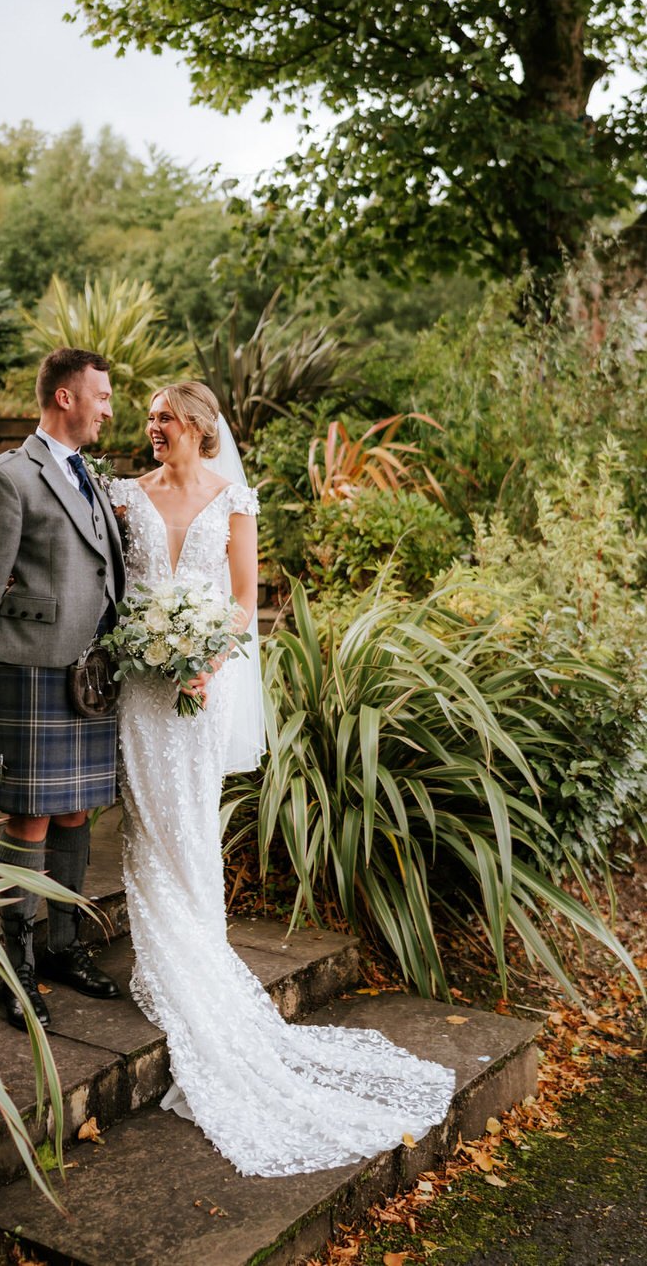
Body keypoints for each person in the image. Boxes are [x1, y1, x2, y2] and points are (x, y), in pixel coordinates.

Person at [108, 381, 455, 1176]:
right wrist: (144, 644)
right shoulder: (125, 496)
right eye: (149, 418)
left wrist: (205, 662)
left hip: (199, 682)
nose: (151, 428)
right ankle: (168, 952)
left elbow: (239, 603)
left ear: (196, 427)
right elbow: (113, 588)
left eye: (163, 417)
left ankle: (193, 954)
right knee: (146, 818)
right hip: (139, 685)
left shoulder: (235, 498)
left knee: (191, 817)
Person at [0, 348, 126, 1030]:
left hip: (91, 671)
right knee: (28, 817)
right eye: (102, 396)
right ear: (64, 398)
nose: (108, 409)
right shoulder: (10, 475)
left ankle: (62, 947)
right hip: (31, 665)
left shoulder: (87, 474)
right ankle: (15, 963)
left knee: (78, 812)